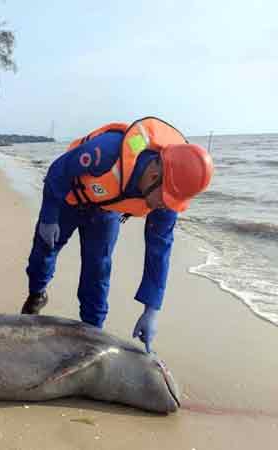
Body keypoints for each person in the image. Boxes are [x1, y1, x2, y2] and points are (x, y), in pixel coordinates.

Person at [21, 117, 213, 352]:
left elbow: (159, 251)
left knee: (98, 271)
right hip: (69, 200)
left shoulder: (167, 202)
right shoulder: (107, 151)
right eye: (164, 199)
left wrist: (152, 308)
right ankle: (37, 295)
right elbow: (59, 171)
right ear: (154, 173)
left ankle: (92, 337)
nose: (163, 207)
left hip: (105, 211)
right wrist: (49, 217)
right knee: (43, 253)